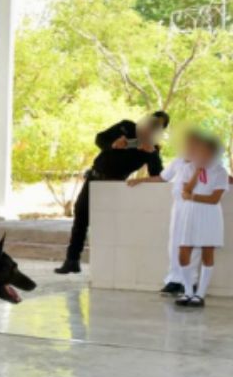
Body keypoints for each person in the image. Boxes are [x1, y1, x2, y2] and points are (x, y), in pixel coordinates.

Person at [56, 111, 169, 274]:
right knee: (81, 216)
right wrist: (113, 144)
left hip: (114, 186)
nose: (149, 129)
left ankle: (108, 267)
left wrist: (151, 153)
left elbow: (157, 175)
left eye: (156, 127)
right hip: (94, 179)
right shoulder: (126, 126)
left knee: (106, 225)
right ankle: (72, 260)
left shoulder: (152, 148)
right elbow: (100, 138)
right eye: (150, 124)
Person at [127, 131, 200, 295]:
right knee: (174, 243)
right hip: (179, 207)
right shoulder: (178, 161)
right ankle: (174, 280)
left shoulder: (205, 162)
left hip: (197, 207)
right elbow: (162, 178)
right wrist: (140, 180)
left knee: (192, 245)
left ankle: (190, 282)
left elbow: (222, 178)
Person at [173, 132, 228, 307]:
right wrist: (197, 172)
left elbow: (214, 199)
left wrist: (193, 197)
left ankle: (200, 294)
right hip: (190, 214)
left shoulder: (220, 171)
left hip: (210, 215)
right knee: (183, 251)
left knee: (207, 252)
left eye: (205, 151)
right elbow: (185, 192)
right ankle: (188, 291)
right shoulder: (188, 168)